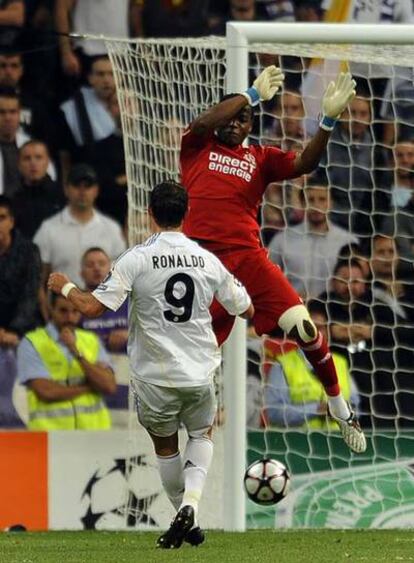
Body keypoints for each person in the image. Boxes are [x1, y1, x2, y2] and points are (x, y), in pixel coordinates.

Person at [47, 180, 254, 549]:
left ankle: (185, 517)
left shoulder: (136, 258)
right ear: (187, 213)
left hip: (154, 377)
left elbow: (93, 307)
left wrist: (63, 286)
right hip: (199, 371)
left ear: (150, 214)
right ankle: (190, 507)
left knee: (166, 448)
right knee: (202, 434)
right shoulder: (207, 259)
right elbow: (246, 307)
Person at [179, 64, 366, 453]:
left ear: (250, 126)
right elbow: (200, 124)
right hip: (200, 263)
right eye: (228, 116)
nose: (234, 122)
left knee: (304, 327)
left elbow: (305, 164)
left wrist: (328, 120)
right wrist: (248, 95)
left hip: (248, 260)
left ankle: (339, 407)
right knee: (197, 356)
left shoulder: (261, 158)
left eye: (242, 118)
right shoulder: (197, 147)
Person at [16, 292, 116, 430]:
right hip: (50, 437)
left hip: (94, 434)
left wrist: (76, 352)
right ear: (51, 309)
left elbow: (109, 386)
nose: (70, 317)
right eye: (63, 311)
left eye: (75, 311)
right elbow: (47, 391)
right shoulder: (31, 343)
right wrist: (90, 387)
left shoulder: (91, 340)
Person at [264, 301, 360, 429]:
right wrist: (316, 409)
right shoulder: (282, 365)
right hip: (296, 444)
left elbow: (356, 408)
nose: (316, 333)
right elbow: (273, 413)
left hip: (338, 444)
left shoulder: (340, 363)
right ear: (299, 331)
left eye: (321, 328)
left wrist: (344, 411)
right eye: (311, 327)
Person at [269, 176, 357, 298]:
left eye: (322, 199)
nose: (316, 205)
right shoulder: (281, 240)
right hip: (293, 311)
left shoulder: (347, 241)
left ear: (331, 203)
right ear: (303, 203)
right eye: (311, 200)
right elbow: (269, 279)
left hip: (334, 311)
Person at [0, 195, 41, 427]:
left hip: (23, 332)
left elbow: (30, 294)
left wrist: (13, 331)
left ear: (12, 221)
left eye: (2, 218)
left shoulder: (28, 251)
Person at [12, 140, 63, 239]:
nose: (33, 163)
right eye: (27, 158)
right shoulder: (13, 200)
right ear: (19, 165)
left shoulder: (63, 195)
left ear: (47, 162)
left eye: (38, 157)